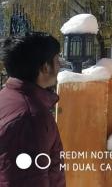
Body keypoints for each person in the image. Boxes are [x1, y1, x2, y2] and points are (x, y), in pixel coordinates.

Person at [0, 34, 65, 186]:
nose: (60, 66)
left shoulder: (7, 97)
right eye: (57, 60)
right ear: (45, 67)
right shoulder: (31, 117)